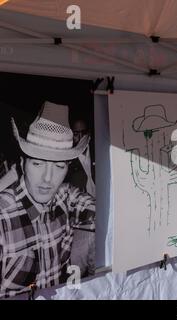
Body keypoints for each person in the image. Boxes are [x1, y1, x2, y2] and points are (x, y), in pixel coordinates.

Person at [0, 101, 95, 299]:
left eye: (59, 167)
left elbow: (110, 214)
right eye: (37, 164)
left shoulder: (65, 198)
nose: (47, 179)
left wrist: (88, 171)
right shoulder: (4, 217)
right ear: (22, 162)